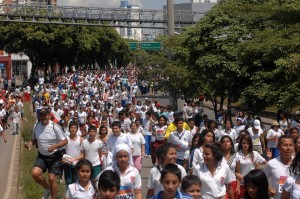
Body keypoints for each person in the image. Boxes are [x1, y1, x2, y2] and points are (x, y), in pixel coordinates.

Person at [24, 108, 68, 199]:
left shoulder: (55, 126)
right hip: (42, 156)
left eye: (45, 115)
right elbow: (34, 140)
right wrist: (29, 144)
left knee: (52, 178)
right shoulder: (36, 126)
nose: (43, 117)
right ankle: (47, 188)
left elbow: (65, 141)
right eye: (41, 115)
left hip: (55, 156)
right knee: (35, 173)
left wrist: (55, 146)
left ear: (49, 115)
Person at [235, 134, 266, 199]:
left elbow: (265, 162)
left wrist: (258, 165)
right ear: (240, 144)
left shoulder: (254, 153)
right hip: (241, 183)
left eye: (248, 143)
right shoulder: (236, 154)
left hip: (252, 183)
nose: (246, 145)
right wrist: (237, 185)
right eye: (244, 143)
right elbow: (232, 170)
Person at [263, 135, 294, 199]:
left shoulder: (297, 163)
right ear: (278, 147)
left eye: (290, 145)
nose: (288, 148)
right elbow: (262, 179)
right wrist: (269, 189)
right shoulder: (271, 164)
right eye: (285, 145)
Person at [62, 121, 83, 186]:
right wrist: (63, 159)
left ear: (77, 129)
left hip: (77, 163)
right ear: (69, 129)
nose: (73, 129)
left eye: (75, 128)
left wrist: (76, 159)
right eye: (71, 128)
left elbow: (83, 154)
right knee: (68, 182)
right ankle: (68, 195)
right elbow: (62, 150)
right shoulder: (66, 139)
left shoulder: (81, 139)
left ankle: (75, 196)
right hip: (67, 163)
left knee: (76, 182)